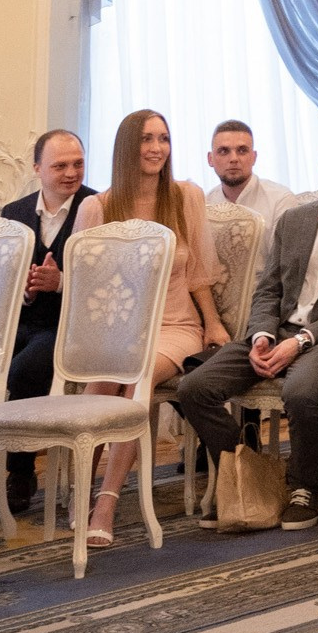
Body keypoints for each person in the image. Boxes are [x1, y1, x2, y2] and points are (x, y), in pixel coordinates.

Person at [176, 126, 318, 529]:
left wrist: (303, 340)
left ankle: (303, 487)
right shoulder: (293, 219)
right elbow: (268, 289)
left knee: (301, 393)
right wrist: (261, 335)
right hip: (275, 331)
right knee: (194, 388)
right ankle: (246, 474)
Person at [72, 112, 228, 550]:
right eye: (146, 139)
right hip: (116, 329)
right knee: (102, 384)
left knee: (137, 377)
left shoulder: (186, 196)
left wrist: (213, 323)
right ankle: (80, 489)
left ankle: (106, 503)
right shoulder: (97, 208)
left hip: (175, 326)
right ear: (127, 146)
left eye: (163, 138)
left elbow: (198, 272)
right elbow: (85, 285)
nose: (157, 148)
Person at [0, 130, 93, 519]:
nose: (71, 173)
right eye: (60, 165)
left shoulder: (97, 206)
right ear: (37, 168)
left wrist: (61, 282)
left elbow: (110, 285)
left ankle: (20, 474)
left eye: (78, 164)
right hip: (21, 320)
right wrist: (27, 290)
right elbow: (5, 281)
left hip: (69, 328)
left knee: (22, 372)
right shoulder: (14, 213)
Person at [205, 121, 294, 225]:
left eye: (242, 151)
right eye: (224, 151)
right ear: (210, 159)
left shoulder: (280, 200)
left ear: (254, 157)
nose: (234, 159)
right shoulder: (204, 205)